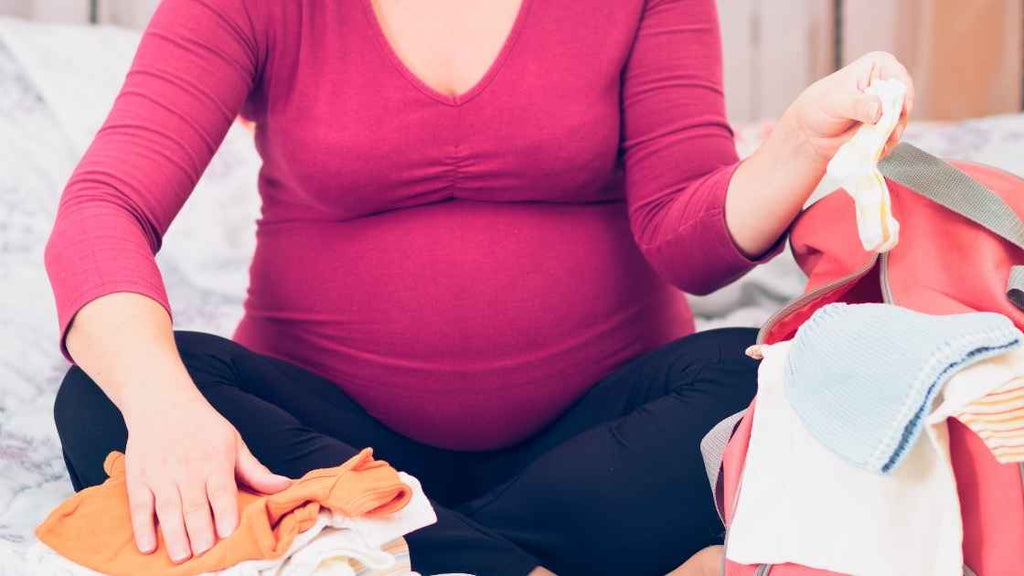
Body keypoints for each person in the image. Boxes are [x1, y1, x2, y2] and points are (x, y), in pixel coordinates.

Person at [44, 0, 913, 574]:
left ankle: (411, 551)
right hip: (326, 452)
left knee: (772, 377)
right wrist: (164, 409)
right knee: (105, 397)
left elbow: (688, 244)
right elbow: (103, 208)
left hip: (592, 445)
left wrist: (800, 139)